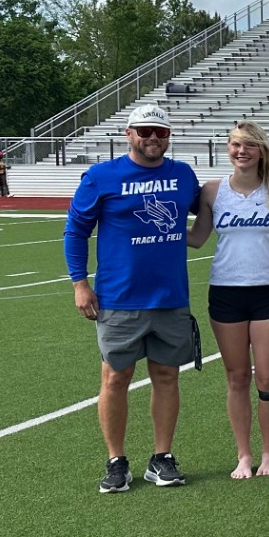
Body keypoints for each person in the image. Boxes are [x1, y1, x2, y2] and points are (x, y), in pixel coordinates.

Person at [63, 103, 201, 493]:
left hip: (170, 296)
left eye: (161, 132)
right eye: (145, 131)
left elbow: (208, 206)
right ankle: (116, 461)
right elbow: (76, 231)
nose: (153, 138)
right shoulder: (101, 176)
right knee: (115, 377)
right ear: (129, 134)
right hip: (119, 297)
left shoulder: (183, 174)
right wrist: (79, 283)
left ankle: (162, 457)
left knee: (167, 376)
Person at [187, 122, 269, 480]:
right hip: (226, 291)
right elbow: (197, 238)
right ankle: (244, 455)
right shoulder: (212, 191)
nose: (241, 151)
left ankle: (268, 452)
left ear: (261, 150)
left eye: (249, 145)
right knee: (236, 377)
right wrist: (152, 228)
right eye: (235, 145)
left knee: (267, 377)